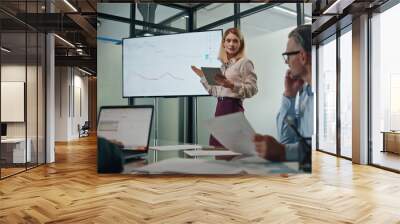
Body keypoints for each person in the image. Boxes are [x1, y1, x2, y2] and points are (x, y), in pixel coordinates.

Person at [253, 25, 313, 163]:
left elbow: (322, 152)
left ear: (303, 56)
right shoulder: (303, 95)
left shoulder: (327, 97)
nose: (287, 63)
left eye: (288, 56)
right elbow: (286, 140)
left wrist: (282, 151)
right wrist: (289, 96)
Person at [191, 28, 258, 147]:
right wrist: (203, 77)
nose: (231, 44)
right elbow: (215, 91)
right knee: (217, 148)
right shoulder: (224, 66)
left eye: (235, 41)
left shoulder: (245, 63)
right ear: (224, 43)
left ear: (240, 44)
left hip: (232, 109)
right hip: (220, 109)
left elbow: (253, 89)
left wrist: (232, 85)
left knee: (231, 151)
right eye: (228, 40)